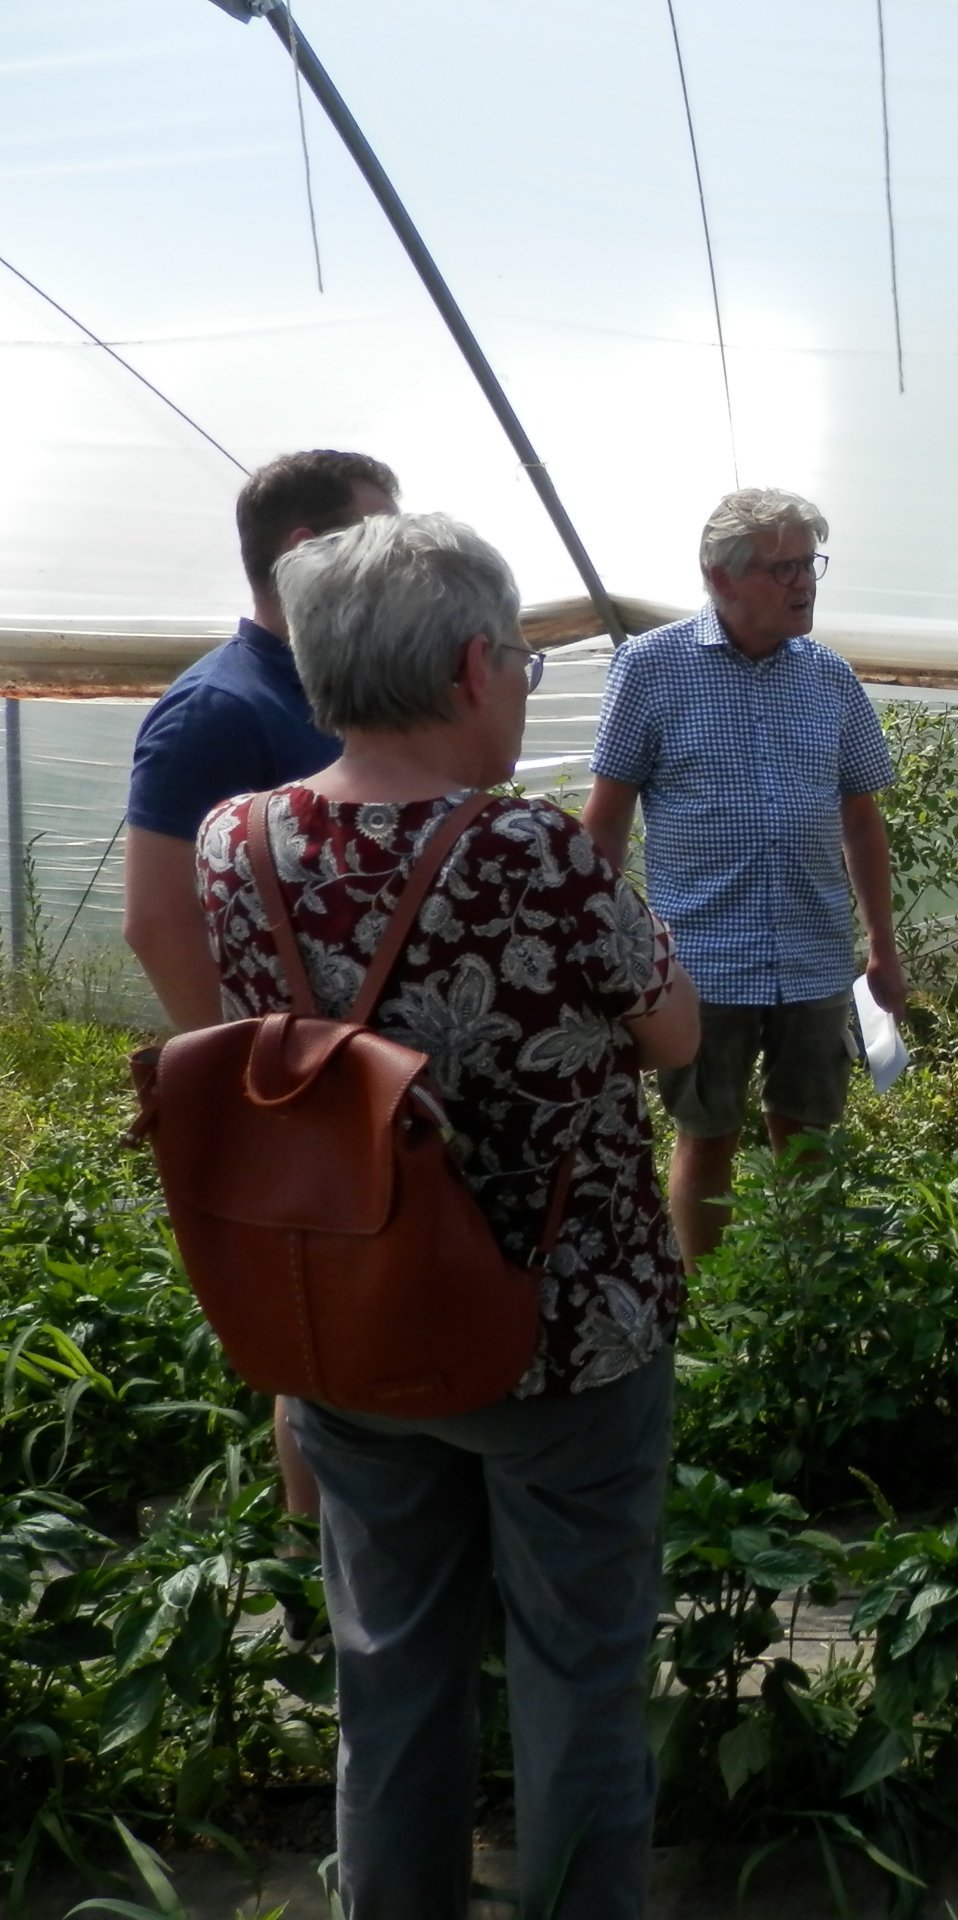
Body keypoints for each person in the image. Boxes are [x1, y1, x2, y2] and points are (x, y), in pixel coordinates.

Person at [198, 511, 699, 1919]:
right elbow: (668, 1033)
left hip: (350, 1310)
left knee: (392, 1664)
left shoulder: (241, 841)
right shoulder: (530, 852)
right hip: (560, 1328)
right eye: (526, 663)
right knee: (580, 1673)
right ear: (479, 667)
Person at [122, 447, 399, 1545]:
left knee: (364, 1330)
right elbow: (156, 918)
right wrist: (261, 1082)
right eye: (376, 530)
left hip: (362, 1082)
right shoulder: (218, 711)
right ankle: (312, 1590)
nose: (396, 551)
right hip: (303, 1089)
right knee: (317, 1346)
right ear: (304, 552)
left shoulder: (340, 689)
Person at [583, 487, 903, 1262]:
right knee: (707, 1136)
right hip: (703, 964)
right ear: (719, 578)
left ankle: (804, 1290)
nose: (804, 584)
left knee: (808, 1136)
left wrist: (882, 946)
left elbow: (861, 817)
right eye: (782, 568)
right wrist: (595, 942)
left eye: (810, 564)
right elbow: (608, 813)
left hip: (813, 955)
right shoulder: (651, 667)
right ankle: (712, 1303)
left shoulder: (829, 677)